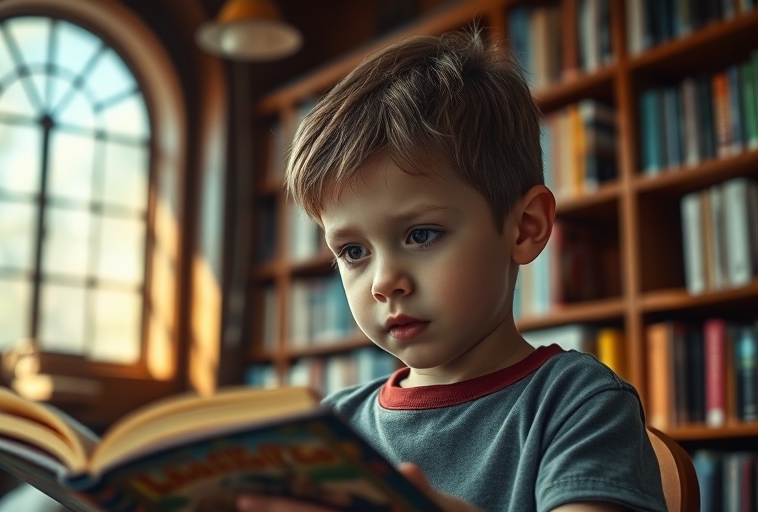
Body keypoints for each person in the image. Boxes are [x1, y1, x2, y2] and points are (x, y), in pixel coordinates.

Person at [237, 28, 667, 512]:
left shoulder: (578, 403)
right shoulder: (330, 428)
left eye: (421, 235)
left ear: (525, 228)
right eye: (354, 252)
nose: (383, 283)